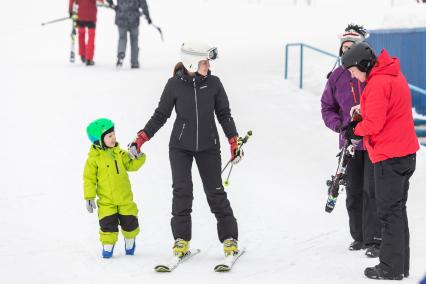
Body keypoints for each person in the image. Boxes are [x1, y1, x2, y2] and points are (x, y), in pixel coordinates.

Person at [128, 40, 243, 258]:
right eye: (204, 62)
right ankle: (181, 240)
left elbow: (225, 115)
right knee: (182, 192)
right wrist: (141, 138)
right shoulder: (174, 85)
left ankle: (229, 238)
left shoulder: (215, 84)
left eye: (208, 62)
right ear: (191, 63)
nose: (208, 66)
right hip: (180, 147)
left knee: (215, 192)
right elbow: (161, 115)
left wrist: (233, 141)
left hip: (209, 146)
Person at [342, 42, 419, 280]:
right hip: (405, 154)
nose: (353, 76)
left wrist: (355, 130)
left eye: (353, 70)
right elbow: (387, 112)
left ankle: (389, 267)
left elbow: (374, 124)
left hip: (390, 157)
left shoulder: (377, 83)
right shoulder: (393, 75)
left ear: (364, 64)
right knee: (398, 212)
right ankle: (400, 265)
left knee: (388, 213)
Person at [321, 24, 381, 256]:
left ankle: (375, 239)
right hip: (350, 144)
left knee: (371, 190)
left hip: (374, 141)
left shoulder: (371, 74)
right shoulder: (336, 77)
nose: (346, 52)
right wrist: (340, 126)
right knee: (354, 190)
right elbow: (327, 107)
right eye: (343, 48)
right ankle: (359, 237)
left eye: (351, 48)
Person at [84, 118, 146, 258]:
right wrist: (89, 196)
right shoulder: (93, 159)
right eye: (109, 136)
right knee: (107, 225)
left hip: (125, 199)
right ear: (98, 140)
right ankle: (108, 247)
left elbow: (132, 166)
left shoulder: (120, 153)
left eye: (114, 134)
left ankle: (130, 242)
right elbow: (89, 179)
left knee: (130, 222)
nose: (113, 138)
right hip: (107, 202)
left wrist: (138, 156)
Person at [106, 0, 151, 68]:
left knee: (122, 38)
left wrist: (111, 4)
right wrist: (148, 16)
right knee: (134, 40)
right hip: (134, 18)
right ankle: (134, 62)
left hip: (121, 17)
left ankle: (121, 53)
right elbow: (143, 4)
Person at [68, 0, 104, 66]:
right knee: (91, 36)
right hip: (91, 16)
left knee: (81, 34)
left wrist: (70, 12)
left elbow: (71, 1)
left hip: (80, 15)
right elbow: (101, 1)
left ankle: (82, 55)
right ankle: (89, 58)